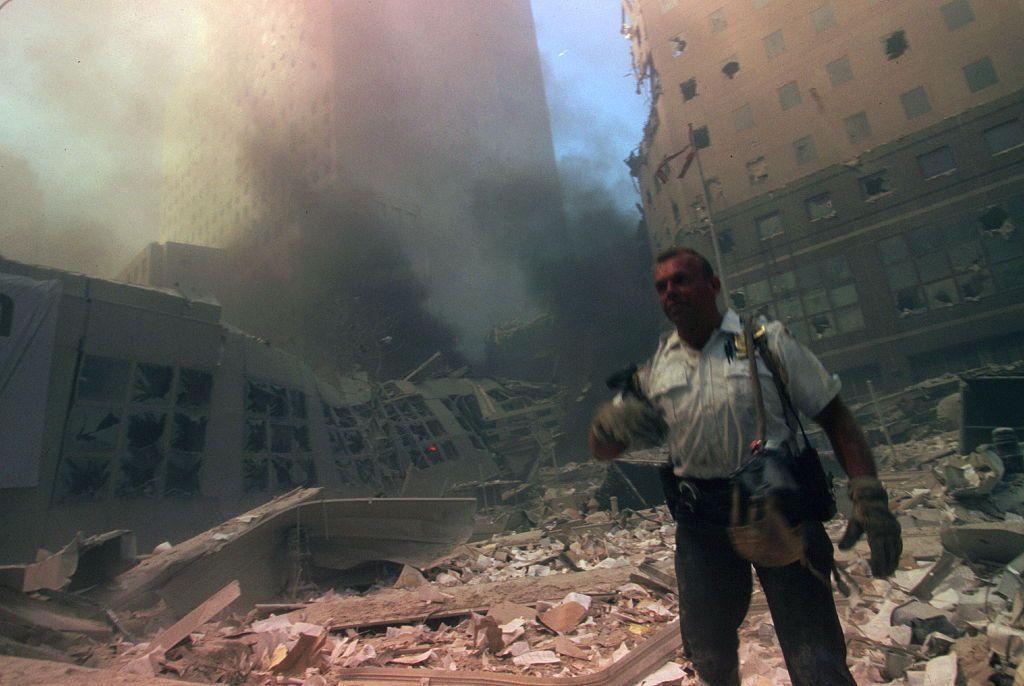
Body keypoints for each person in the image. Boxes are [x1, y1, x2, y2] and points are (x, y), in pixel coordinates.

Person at [589, 247, 902, 686]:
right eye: (661, 286)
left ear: (713, 285)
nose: (670, 292)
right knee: (709, 654)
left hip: (780, 513)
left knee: (815, 659)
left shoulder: (766, 343)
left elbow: (836, 417)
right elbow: (606, 448)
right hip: (702, 525)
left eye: (681, 280)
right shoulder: (656, 369)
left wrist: (868, 493)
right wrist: (607, 428)